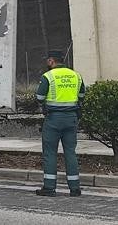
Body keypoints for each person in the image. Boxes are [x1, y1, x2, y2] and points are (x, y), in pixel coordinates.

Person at [35, 50, 85, 197]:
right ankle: (75, 188)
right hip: (71, 118)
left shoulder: (48, 76)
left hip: (53, 119)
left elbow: (39, 97)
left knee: (50, 152)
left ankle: (49, 187)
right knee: (70, 152)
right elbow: (81, 95)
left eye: (47, 61)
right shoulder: (76, 75)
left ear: (51, 61)